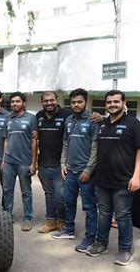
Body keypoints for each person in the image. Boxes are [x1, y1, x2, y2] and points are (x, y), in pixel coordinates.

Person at [86, 90, 140, 266]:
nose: (112, 105)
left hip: (124, 181)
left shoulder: (133, 124)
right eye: (109, 102)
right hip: (102, 180)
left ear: (123, 102)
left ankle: (126, 249)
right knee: (103, 213)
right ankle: (101, 244)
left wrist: (136, 176)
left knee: (122, 216)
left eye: (116, 102)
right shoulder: (103, 124)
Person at [52, 89, 99, 254]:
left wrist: (88, 170)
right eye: (73, 102)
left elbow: (95, 148)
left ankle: (90, 238)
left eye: (79, 102)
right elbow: (65, 142)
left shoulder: (94, 120)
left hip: (85, 172)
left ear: (85, 102)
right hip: (70, 170)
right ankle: (69, 229)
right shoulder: (69, 120)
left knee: (89, 206)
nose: (76, 105)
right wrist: (63, 162)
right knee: (69, 201)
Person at [35, 91, 71, 233]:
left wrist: (97, 116)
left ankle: (63, 222)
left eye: (51, 100)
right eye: (45, 101)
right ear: (42, 102)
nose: (49, 103)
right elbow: (35, 135)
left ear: (56, 100)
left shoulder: (66, 115)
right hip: (43, 163)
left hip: (60, 165)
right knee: (49, 195)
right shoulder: (39, 116)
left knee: (61, 196)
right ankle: (51, 222)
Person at [2, 92, 37, 231]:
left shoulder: (31, 118)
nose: (14, 104)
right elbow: (6, 140)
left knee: (26, 192)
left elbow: (34, 141)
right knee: (7, 190)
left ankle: (27, 218)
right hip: (9, 162)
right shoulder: (8, 118)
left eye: (17, 101)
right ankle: (7, 216)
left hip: (24, 162)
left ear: (24, 103)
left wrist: (33, 163)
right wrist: (4, 159)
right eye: (12, 102)